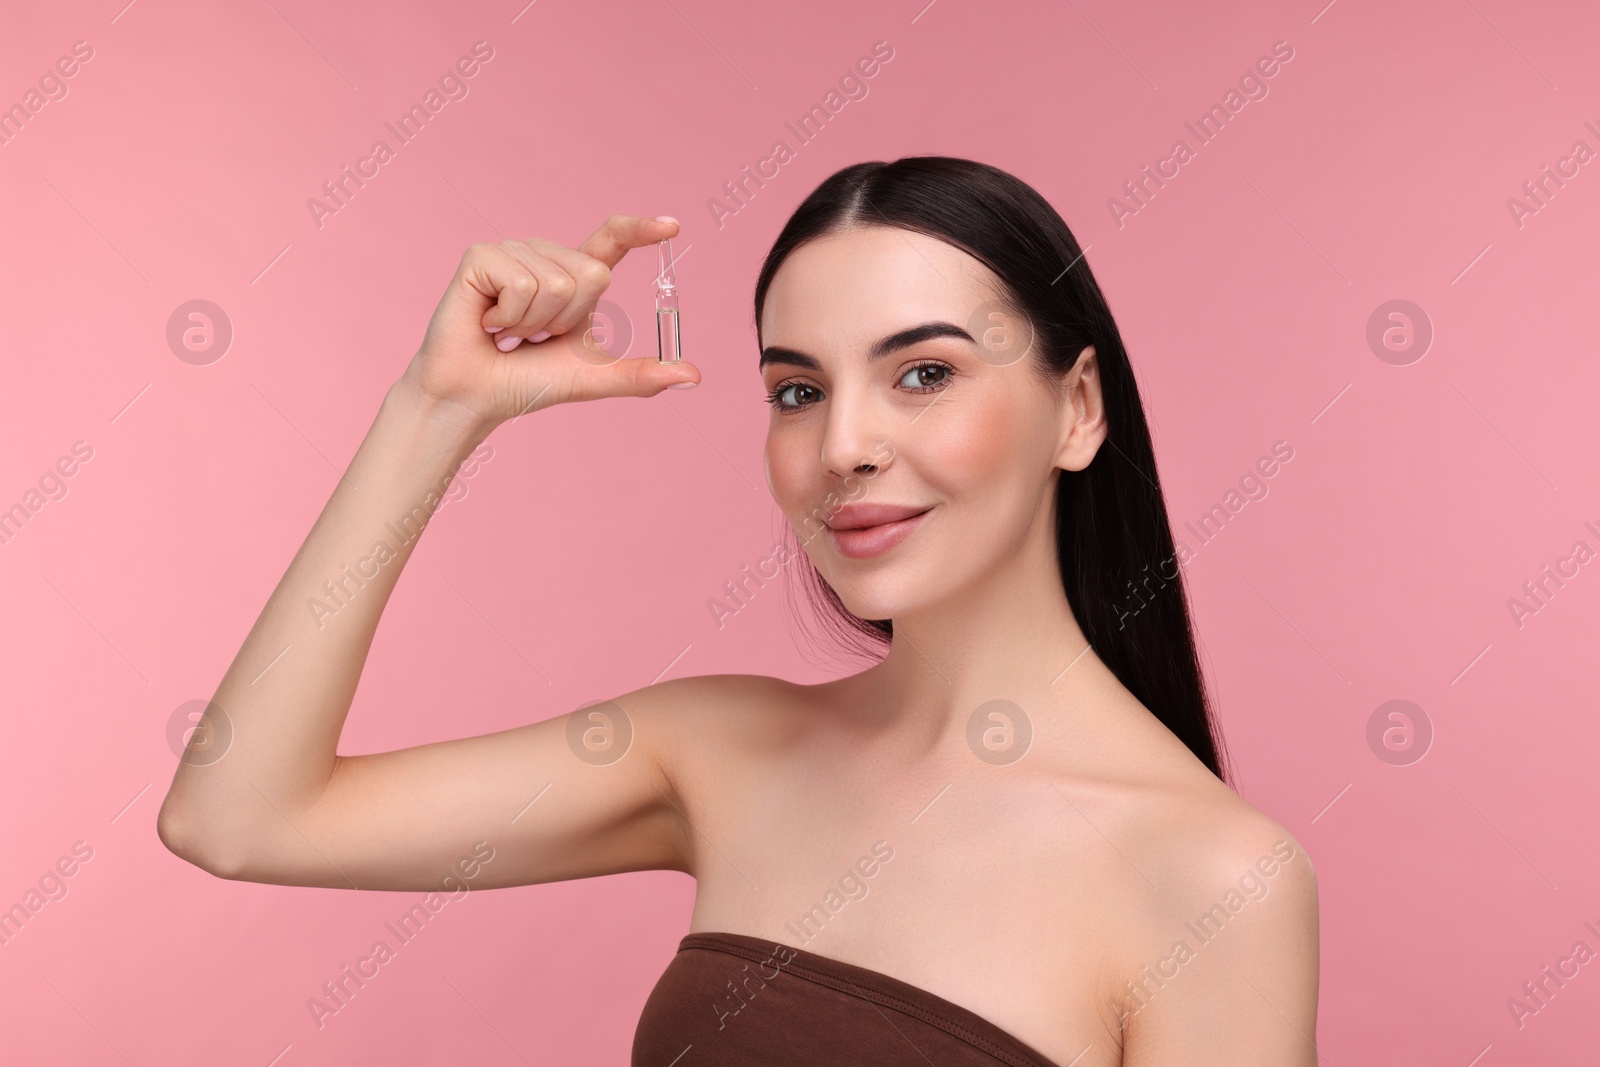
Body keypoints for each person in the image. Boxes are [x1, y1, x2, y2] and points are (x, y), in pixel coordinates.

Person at [158, 156, 1319, 1066]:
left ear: (1074, 409)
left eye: (924, 372)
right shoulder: (714, 749)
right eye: (798, 391)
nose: (844, 446)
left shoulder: (1212, 880)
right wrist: (438, 407)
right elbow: (239, 814)